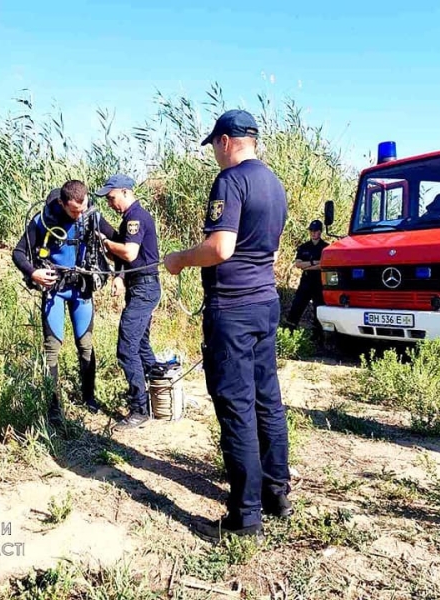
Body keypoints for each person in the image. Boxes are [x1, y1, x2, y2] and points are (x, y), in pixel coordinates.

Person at [163, 109, 292, 541]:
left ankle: (246, 516)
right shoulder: (275, 185)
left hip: (233, 310)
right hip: (265, 304)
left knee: (236, 406)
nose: (215, 155)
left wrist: (180, 259)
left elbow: (220, 247)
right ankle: (278, 494)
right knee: (266, 400)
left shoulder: (231, 181)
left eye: (214, 146)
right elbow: (269, 254)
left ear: (224, 141)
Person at [11, 181, 117, 425]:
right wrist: (33, 272)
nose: (78, 214)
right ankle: (54, 408)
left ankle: (89, 398)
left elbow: (119, 242)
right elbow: (18, 253)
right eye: (73, 211)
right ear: (61, 203)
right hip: (55, 290)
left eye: (82, 208)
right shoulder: (43, 220)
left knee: (86, 345)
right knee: (52, 351)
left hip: (81, 289)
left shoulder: (91, 216)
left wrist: (119, 273)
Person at [95, 174, 162, 430]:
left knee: (126, 348)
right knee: (142, 344)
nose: (110, 203)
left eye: (112, 198)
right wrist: (120, 277)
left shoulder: (135, 218)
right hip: (139, 286)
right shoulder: (128, 219)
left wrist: (106, 242)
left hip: (144, 287)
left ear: (125, 192)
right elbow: (129, 257)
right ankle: (157, 395)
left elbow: (130, 251)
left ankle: (139, 409)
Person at [285, 220, 328, 335]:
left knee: (318, 309)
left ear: (320, 232)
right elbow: (298, 264)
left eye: (316, 231)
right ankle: (288, 332)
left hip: (319, 282)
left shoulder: (326, 248)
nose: (313, 233)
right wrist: (315, 262)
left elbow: (324, 265)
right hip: (306, 282)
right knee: (297, 306)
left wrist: (307, 265)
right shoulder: (304, 247)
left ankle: (317, 337)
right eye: (311, 231)